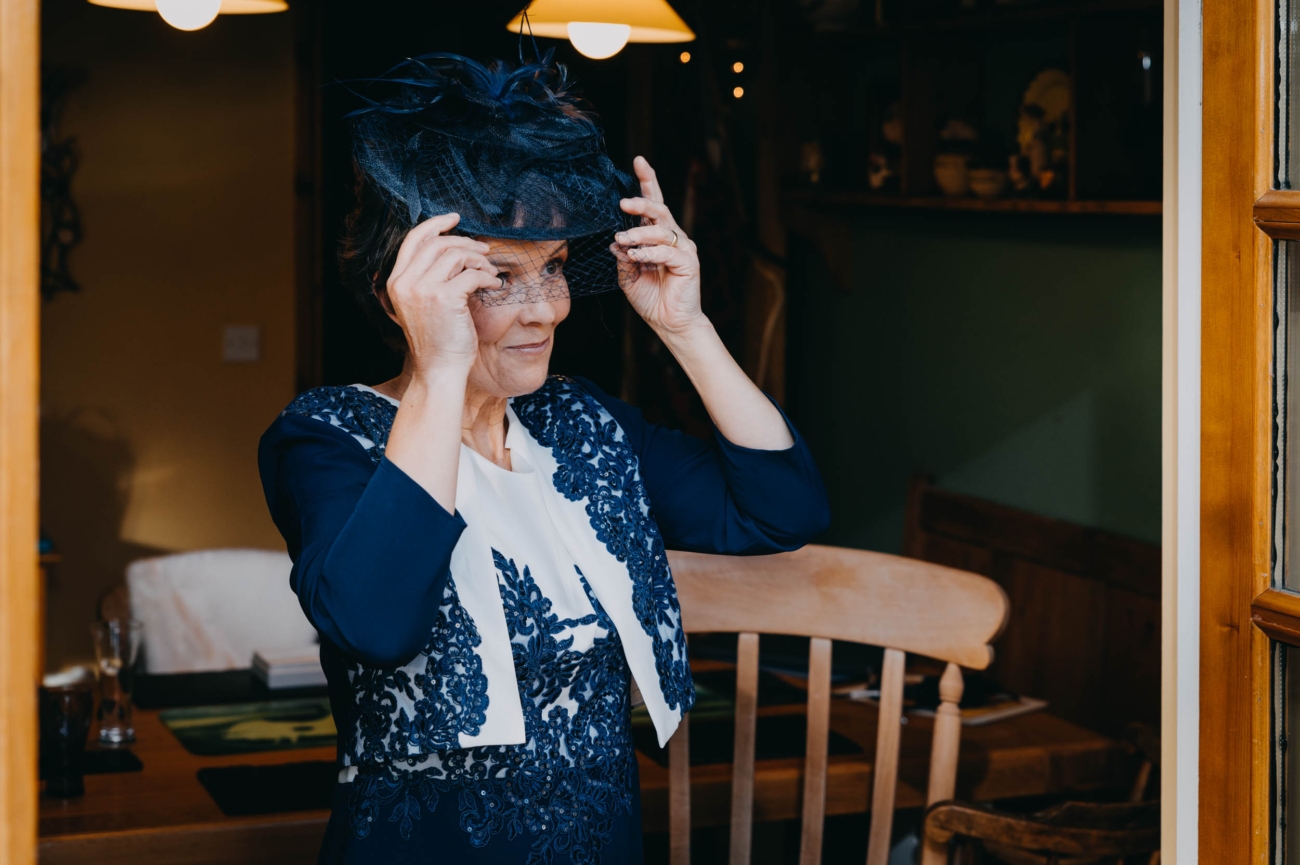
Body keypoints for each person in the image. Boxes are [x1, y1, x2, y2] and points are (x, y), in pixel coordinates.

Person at [258, 53, 829, 865]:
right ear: (408, 292)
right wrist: (441, 369)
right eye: (497, 278)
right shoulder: (326, 437)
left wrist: (687, 328)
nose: (545, 311)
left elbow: (783, 510)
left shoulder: (582, 423)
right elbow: (376, 625)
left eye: (554, 268)